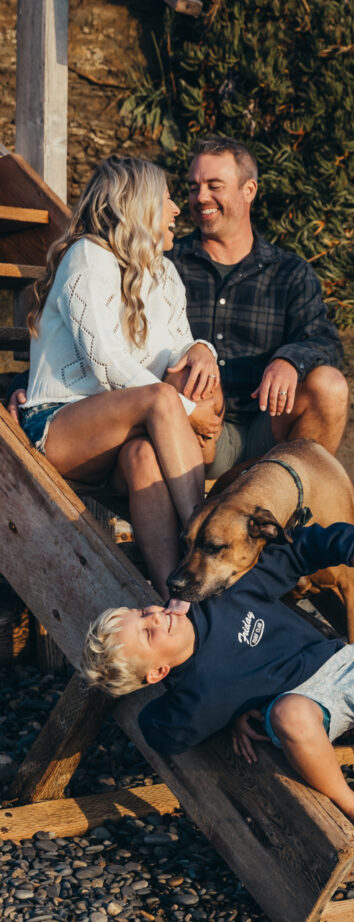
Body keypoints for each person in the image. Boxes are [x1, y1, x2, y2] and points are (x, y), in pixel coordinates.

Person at [81, 522, 354, 840]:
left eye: (142, 614)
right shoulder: (196, 693)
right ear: (157, 673)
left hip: (344, 665)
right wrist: (229, 719)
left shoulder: (225, 595)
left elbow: (298, 550)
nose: (156, 617)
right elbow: (159, 732)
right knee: (290, 713)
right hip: (304, 708)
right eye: (149, 634)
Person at [16, 155, 223, 599]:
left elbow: (178, 346)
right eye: (167, 199)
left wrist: (204, 350)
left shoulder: (164, 273)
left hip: (120, 438)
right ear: (137, 205)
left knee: (144, 459)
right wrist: (187, 409)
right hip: (59, 427)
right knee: (161, 401)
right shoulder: (87, 257)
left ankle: (181, 600)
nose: (175, 209)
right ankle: (205, 538)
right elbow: (106, 363)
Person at [170, 135, 349, 477]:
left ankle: (292, 505)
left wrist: (288, 360)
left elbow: (325, 342)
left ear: (248, 190)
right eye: (194, 187)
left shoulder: (290, 272)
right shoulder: (167, 265)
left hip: (270, 433)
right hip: (194, 433)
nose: (200, 197)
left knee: (330, 385)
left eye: (214, 185)